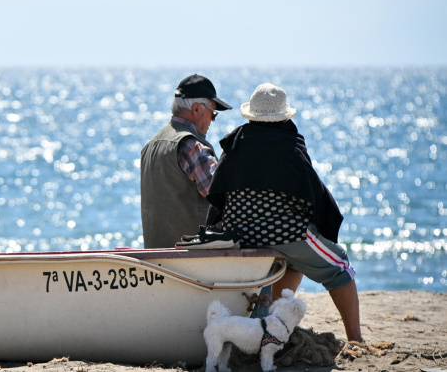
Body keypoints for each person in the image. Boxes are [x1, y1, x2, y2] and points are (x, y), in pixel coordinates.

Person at [205, 83, 363, 342]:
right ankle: (356, 339)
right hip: (285, 233)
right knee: (340, 266)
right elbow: (311, 192)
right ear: (284, 116)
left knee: (292, 266)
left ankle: (269, 323)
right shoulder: (290, 144)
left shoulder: (235, 143)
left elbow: (218, 191)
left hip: (239, 234)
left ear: (251, 116)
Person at [141, 74, 232, 248]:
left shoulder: (150, 146)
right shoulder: (192, 146)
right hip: (191, 259)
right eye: (213, 113)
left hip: (155, 258)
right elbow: (224, 197)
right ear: (197, 109)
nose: (213, 120)